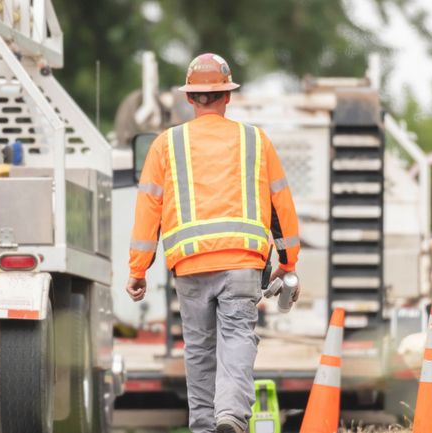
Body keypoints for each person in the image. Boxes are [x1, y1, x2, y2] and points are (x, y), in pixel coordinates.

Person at [126, 53, 301, 433]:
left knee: (199, 349)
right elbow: (281, 205)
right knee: (237, 336)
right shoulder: (256, 140)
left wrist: (138, 269)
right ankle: (231, 416)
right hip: (242, 263)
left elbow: (147, 211)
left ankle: (206, 427)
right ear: (228, 95)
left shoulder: (165, 145)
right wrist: (288, 262)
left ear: (190, 98)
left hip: (190, 266)